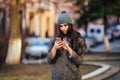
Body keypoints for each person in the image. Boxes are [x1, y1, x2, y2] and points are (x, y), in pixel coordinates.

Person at [47, 10, 86, 80]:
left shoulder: (78, 39)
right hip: (57, 77)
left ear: (70, 25)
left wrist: (69, 49)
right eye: (61, 26)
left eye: (65, 25)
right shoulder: (54, 39)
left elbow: (80, 61)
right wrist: (55, 48)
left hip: (74, 77)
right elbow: (49, 61)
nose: (63, 28)